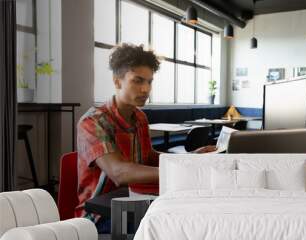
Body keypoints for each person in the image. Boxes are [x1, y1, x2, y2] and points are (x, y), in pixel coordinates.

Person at [76, 43, 216, 227]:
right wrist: (180, 171)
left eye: (149, 82)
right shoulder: (93, 122)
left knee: (195, 216)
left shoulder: (140, 117)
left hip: (137, 200)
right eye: (137, 80)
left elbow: (149, 156)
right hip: (100, 217)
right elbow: (119, 173)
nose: (146, 89)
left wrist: (189, 158)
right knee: (177, 227)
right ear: (117, 81)